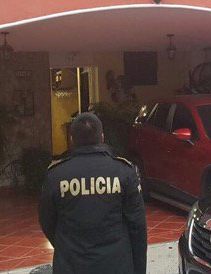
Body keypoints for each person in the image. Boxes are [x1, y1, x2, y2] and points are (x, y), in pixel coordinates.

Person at [38, 112, 147, 274]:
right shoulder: (124, 172)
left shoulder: (56, 175)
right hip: (116, 265)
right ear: (102, 137)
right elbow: (137, 226)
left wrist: (66, 246)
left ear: (72, 140)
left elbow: (47, 220)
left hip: (71, 265)